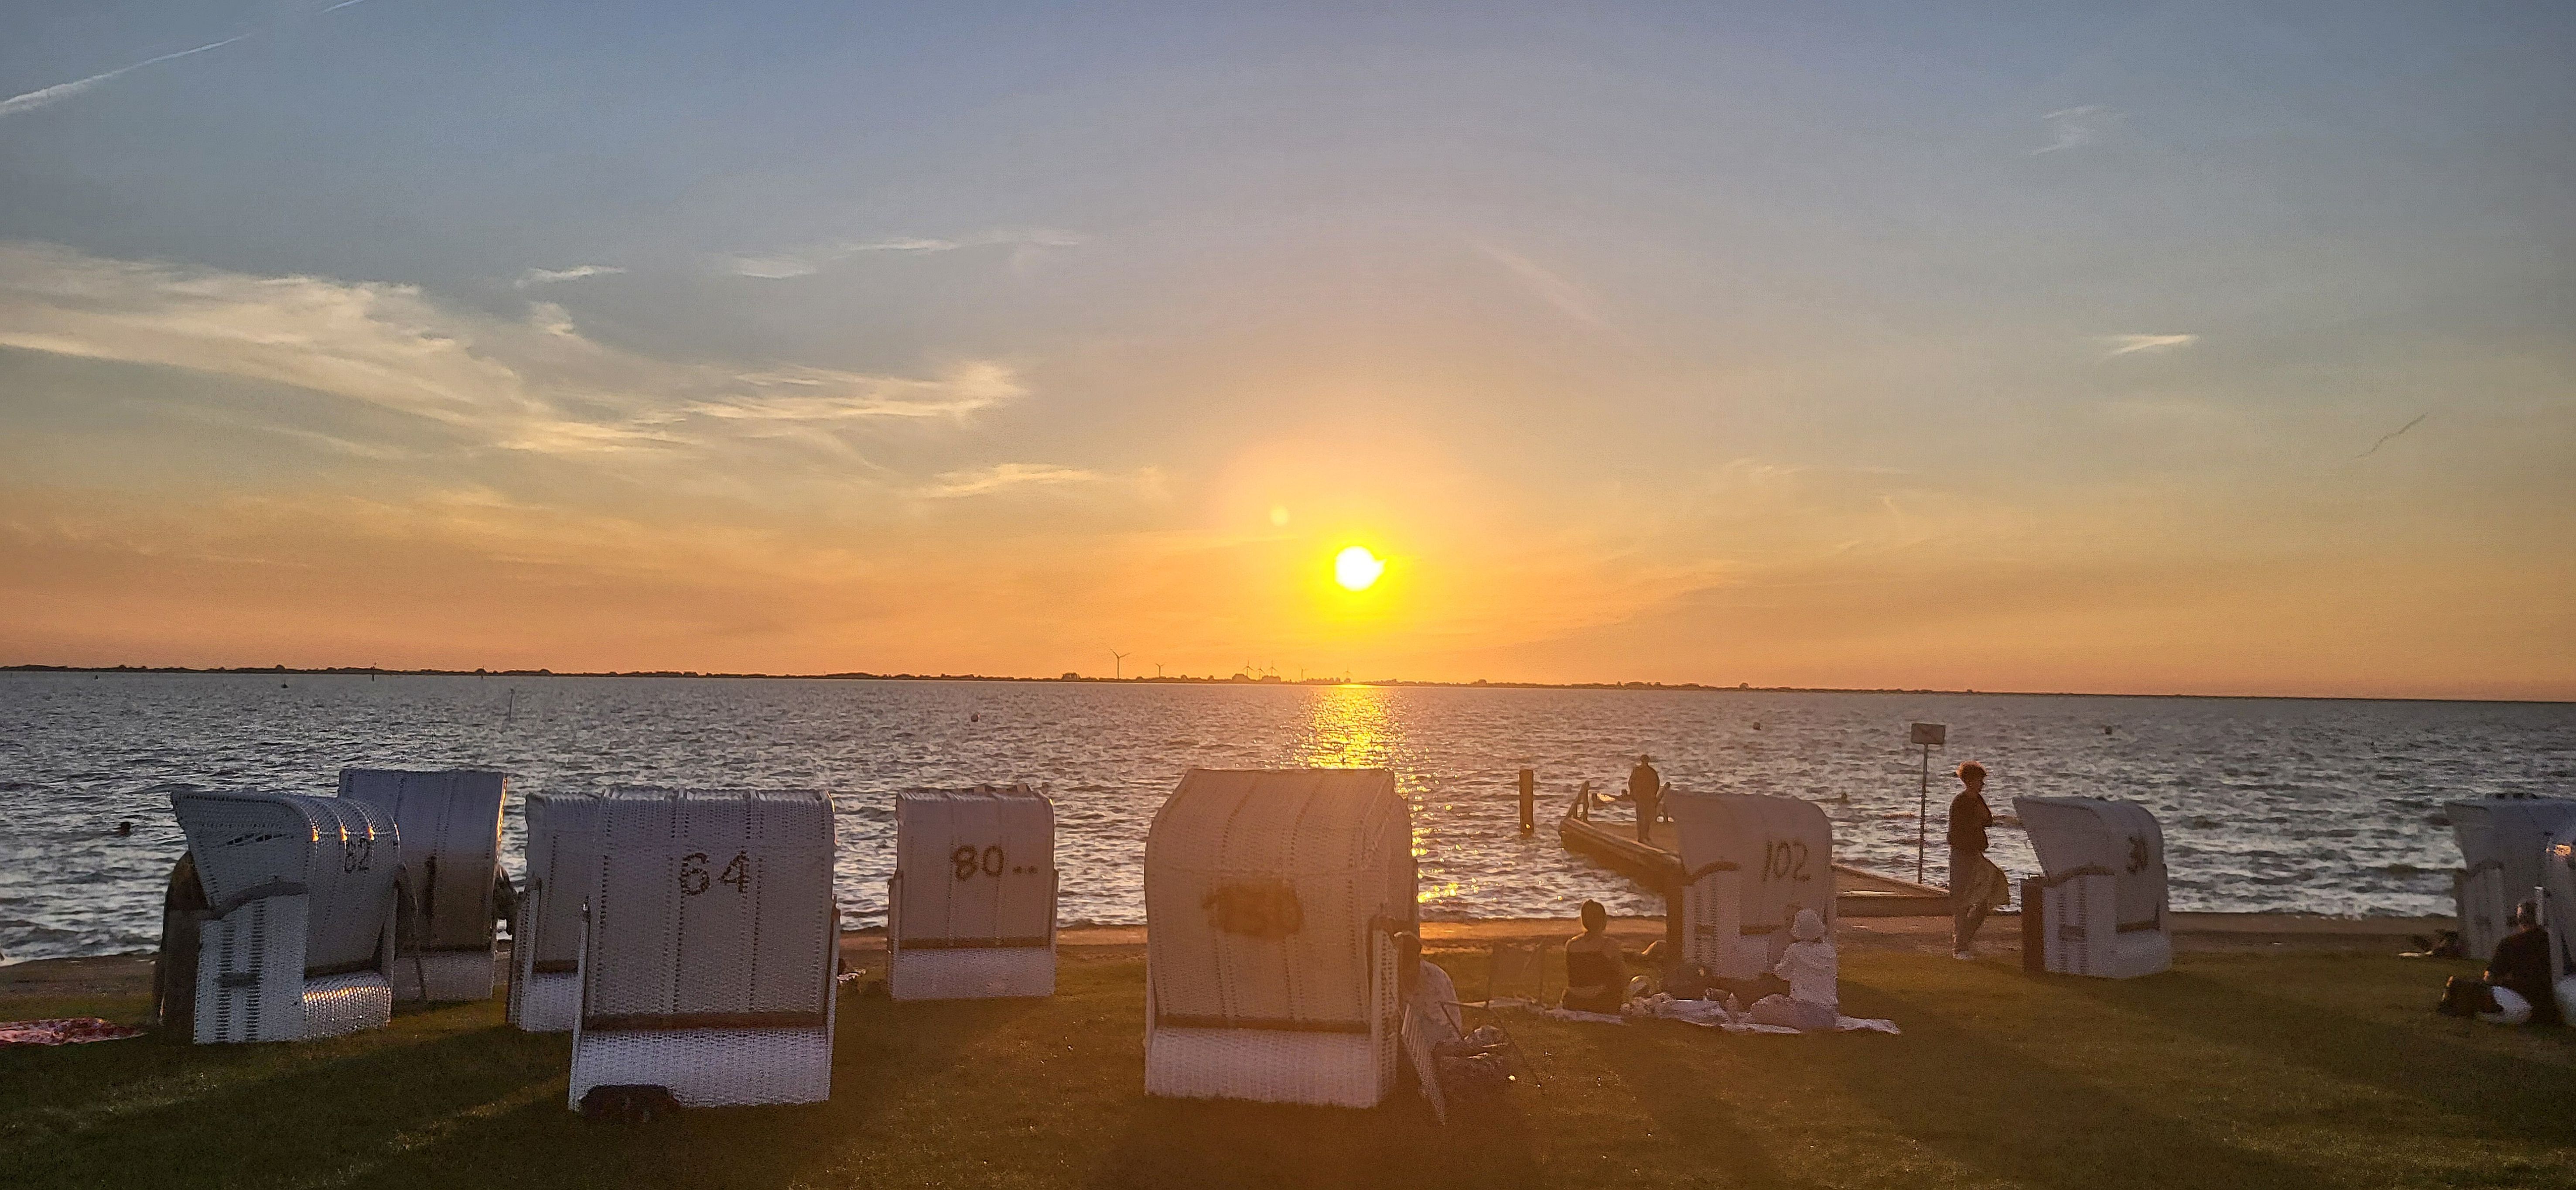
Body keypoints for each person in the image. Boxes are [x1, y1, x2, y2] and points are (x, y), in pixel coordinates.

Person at [1948, 760, 2009, 960]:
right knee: (1963, 900)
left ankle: (1964, 940)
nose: (1982, 784)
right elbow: (1958, 832)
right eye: (1979, 781)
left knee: (1988, 892)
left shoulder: (1978, 800)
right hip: (1962, 854)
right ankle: (1960, 948)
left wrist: (1983, 819)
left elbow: (1988, 820)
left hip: (1976, 855)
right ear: (1970, 781)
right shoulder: (1960, 803)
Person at [1749, 908, 1839, 1031]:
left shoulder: (1795, 950)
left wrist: (1774, 968)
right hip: (1830, 1016)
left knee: (1758, 1009)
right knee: (1778, 999)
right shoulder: (1830, 950)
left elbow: (1781, 974)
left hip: (1804, 1013)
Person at [2483, 902, 2558, 1026]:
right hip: (2548, 1005)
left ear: (2519, 920)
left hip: (2522, 999)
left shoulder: (2509, 944)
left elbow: (2492, 976)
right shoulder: (2554, 943)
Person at [1395, 931, 1463, 1045]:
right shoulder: (1399, 975)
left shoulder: (1434, 979)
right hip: (1424, 1037)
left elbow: (1441, 1023)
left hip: (1445, 1039)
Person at [1561, 900, 1629, 1013]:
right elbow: (1624, 978)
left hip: (1573, 1000)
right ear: (1603, 920)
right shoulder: (1609, 945)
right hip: (1599, 1001)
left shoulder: (1571, 945)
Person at [1630, 755, 1661, 843]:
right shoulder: (1651, 772)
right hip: (1645, 797)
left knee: (1642, 817)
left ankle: (1642, 835)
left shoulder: (1639, 771)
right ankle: (1643, 835)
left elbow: (1631, 783)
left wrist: (1633, 793)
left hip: (1643, 797)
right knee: (1645, 817)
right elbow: (1656, 785)